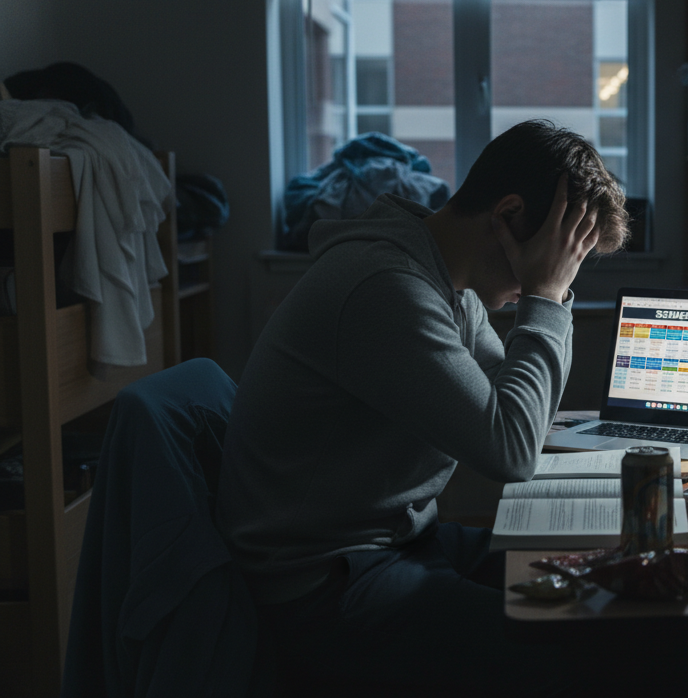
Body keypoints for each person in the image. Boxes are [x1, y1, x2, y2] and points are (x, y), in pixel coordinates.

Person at [216, 120, 629, 694]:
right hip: (325, 585)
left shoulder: (443, 279)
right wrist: (546, 297)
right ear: (506, 216)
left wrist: (543, 294)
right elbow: (510, 451)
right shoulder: (387, 287)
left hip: (399, 543)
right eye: (556, 259)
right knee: (569, 657)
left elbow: (511, 405)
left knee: (603, 583)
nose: (554, 277)